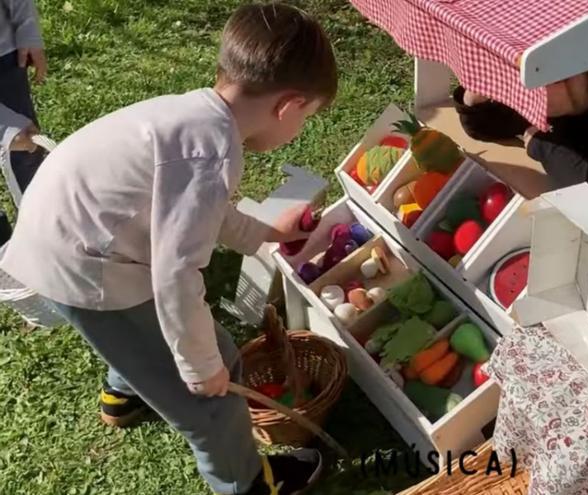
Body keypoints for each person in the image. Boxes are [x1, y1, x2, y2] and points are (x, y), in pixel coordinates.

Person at [0, 3, 337, 494]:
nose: (298, 129)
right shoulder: (213, 152)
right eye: (307, 117)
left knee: (174, 343)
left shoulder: (194, 115)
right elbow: (177, 276)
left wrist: (265, 233)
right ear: (288, 106)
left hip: (68, 239)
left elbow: (202, 213)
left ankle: (125, 393)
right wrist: (200, 371)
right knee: (211, 398)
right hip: (85, 268)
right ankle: (246, 485)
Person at [453, 55, 588, 204]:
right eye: (529, 66)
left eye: (552, 76)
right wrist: (479, 92)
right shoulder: (548, 100)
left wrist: (542, 145)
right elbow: (480, 126)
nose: (530, 82)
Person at [1, 0, 48, 195]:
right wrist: (5, 127)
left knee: (26, 149)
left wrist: (28, 31)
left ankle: (41, 213)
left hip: (5, 55)